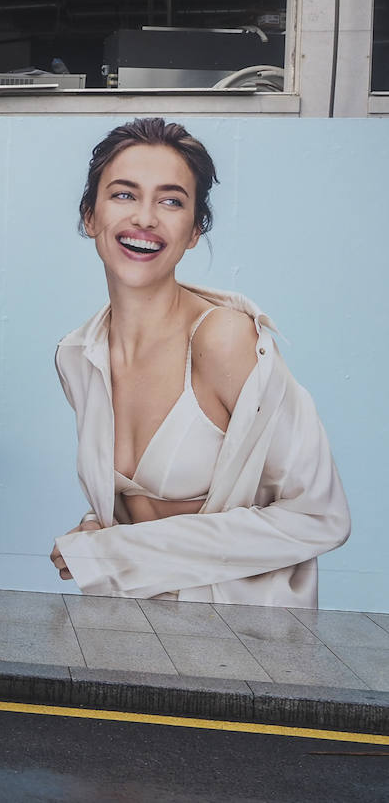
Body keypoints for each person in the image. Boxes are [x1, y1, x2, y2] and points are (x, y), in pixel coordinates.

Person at [49, 118, 350, 606]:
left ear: (194, 231)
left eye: (171, 201)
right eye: (124, 194)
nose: (145, 217)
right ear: (90, 216)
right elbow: (131, 515)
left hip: (243, 644)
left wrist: (119, 551)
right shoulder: (78, 355)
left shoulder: (224, 339)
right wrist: (97, 537)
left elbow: (321, 516)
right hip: (127, 627)